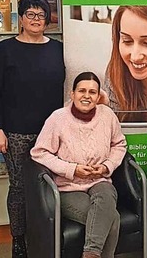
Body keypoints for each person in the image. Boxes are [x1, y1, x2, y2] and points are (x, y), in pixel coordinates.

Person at [0, 0, 65, 257]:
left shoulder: (57, 49)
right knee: (20, 187)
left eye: (41, 15)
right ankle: (19, 241)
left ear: (47, 20)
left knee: (53, 184)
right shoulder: (5, 50)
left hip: (53, 131)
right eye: (30, 14)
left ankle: (45, 237)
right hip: (16, 131)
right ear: (21, 18)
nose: (36, 19)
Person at [31, 72, 126, 258]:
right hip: (68, 187)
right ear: (72, 94)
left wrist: (107, 166)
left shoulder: (107, 115)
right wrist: (72, 169)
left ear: (98, 96)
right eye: (81, 90)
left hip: (100, 180)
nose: (86, 96)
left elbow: (119, 144)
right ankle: (92, 254)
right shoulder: (58, 118)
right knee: (112, 217)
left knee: (106, 194)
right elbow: (39, 153)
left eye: (92, 92)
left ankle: (90, 253)